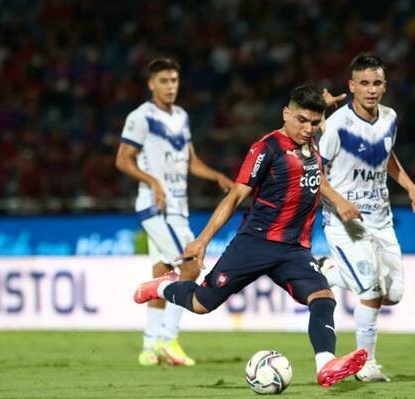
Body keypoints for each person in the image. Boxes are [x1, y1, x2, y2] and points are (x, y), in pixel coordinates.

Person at [133, 85, 368, 387]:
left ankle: (326, 365)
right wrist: (202, 240)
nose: (308, 129)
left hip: (294, 249)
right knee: (202, 303)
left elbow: (312, 169)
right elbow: (234, 197)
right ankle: (166, 287)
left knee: (323, 298)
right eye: (301, 121)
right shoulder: (266, 148)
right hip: (255, 243)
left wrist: (338, 200)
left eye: (314, 122)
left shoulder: (310, 139)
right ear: (286, 114)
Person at [116, 57, 233, 367]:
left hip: (178, 208)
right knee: (191, 263)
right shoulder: (141, 117)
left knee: (163, 275)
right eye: (164, 81)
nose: (170, 87)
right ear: (151, 84)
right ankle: (170, 339)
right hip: (157, 208)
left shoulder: (181, 116)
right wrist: (152, 180)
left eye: (174, 81)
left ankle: (150, 346)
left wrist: (216, 176)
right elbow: (123, 160)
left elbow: (190, 161)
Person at [317, 52, 415, 382]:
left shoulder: (390, 117)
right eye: (364, 83)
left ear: (385, 86)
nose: (371, 90)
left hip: (382, 219)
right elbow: (313, 173)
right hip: (344, 221)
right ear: (351, 87)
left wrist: (410, 186)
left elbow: (386, 155)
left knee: (394, 295)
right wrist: (340, 202)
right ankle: (366, 365)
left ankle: (327, 270)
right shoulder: (336, 126)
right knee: (371, 291)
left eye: (377, 83)